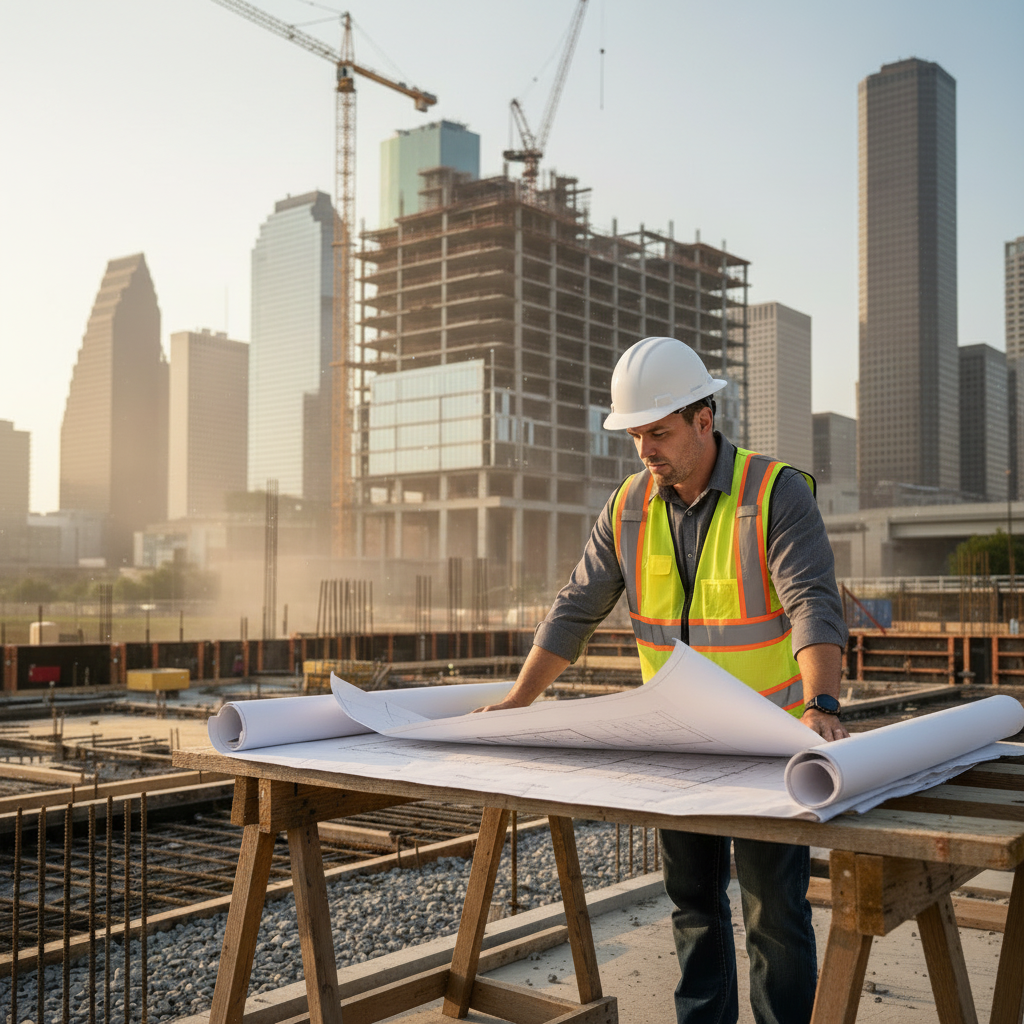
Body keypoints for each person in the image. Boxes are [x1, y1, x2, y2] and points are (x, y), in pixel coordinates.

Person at [476, 336, 849, 1024]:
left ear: (703, 419)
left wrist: (821, 703)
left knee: (773, 913)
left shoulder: (774, 492)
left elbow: (812, 604)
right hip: (681, 748)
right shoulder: (626, 507)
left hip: (769, 744)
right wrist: (517, 701)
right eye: (636, 435)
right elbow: (575, 609)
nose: (645, 449)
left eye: (658, 432)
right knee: (695, 907)